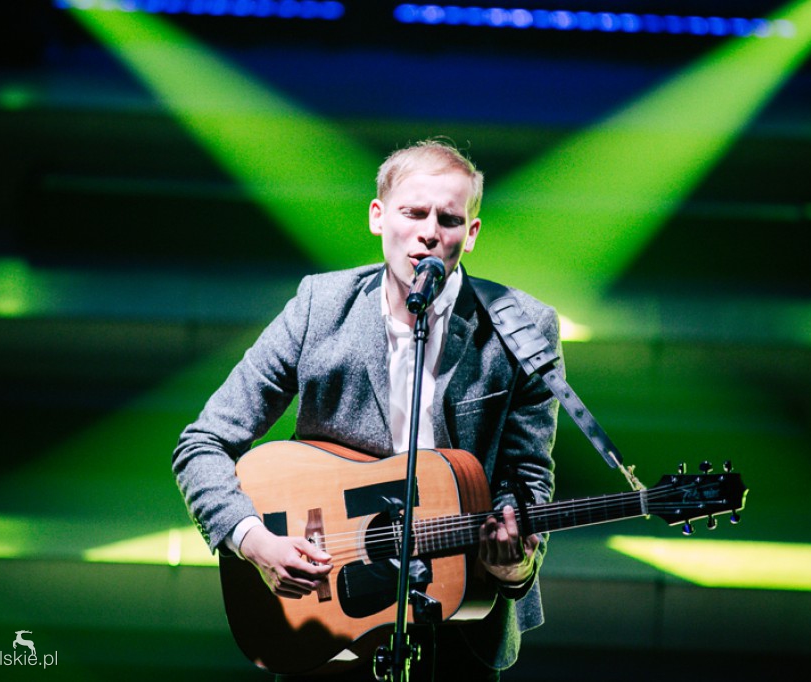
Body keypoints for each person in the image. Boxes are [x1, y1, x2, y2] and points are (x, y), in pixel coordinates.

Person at [172, 139, 560, 680]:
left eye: (448, 218)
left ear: (470, 234)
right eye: (413, 212)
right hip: (326, 620)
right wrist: (253, 542)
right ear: (379, 218)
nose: (429, 231)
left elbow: (527, 478)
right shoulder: (319, 307)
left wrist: (516, 563)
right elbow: (202, 445)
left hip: (459, 625)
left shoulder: (522, 327)